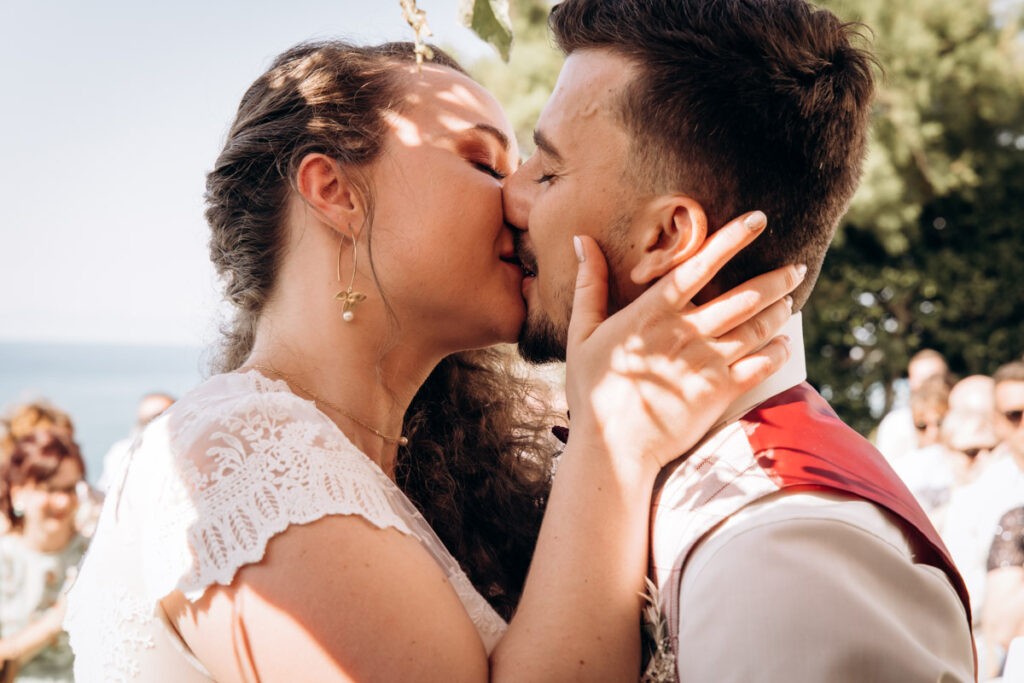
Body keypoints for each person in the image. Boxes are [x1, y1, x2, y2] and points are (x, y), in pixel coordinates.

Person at [64, 41, 799, 681]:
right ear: (335, 191)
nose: (521, 197)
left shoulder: (418, 474)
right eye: (483, 161)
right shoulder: (235, 456)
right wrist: (614, 442)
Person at [502, 0, 974, 679]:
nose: (511, 196)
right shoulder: (683, 483)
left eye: (546, 172)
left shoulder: (784, 550)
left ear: (666, 237)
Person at [0, 429, 89, 683]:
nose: (62, 502)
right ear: (18, 492)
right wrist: (55, 621)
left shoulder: (94, 556)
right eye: (49, 489)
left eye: (70, 488)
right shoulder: (4, 558)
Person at [876, 348, 951, 462]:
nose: (928, 386)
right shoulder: (895, 424)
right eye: (922, 426)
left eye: (934, 378)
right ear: (911, 382)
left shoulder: (963, 419)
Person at [96, 392, 175, 493]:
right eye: (149, 420)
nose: (158, 423)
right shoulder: (121, 453)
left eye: (165, 414)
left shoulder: (192, 452)